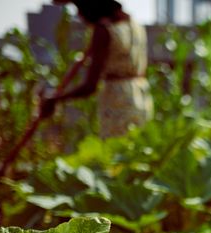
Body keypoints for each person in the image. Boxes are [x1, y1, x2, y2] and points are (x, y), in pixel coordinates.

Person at [41, 0, 153, 138]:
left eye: (80, 7)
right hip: (141, 96)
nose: (79, 14)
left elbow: (90, 86)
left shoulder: (103, 31)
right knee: (135, 150)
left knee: (115, 152)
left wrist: (55, 99)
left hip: (118, 103)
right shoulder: (135, 25)